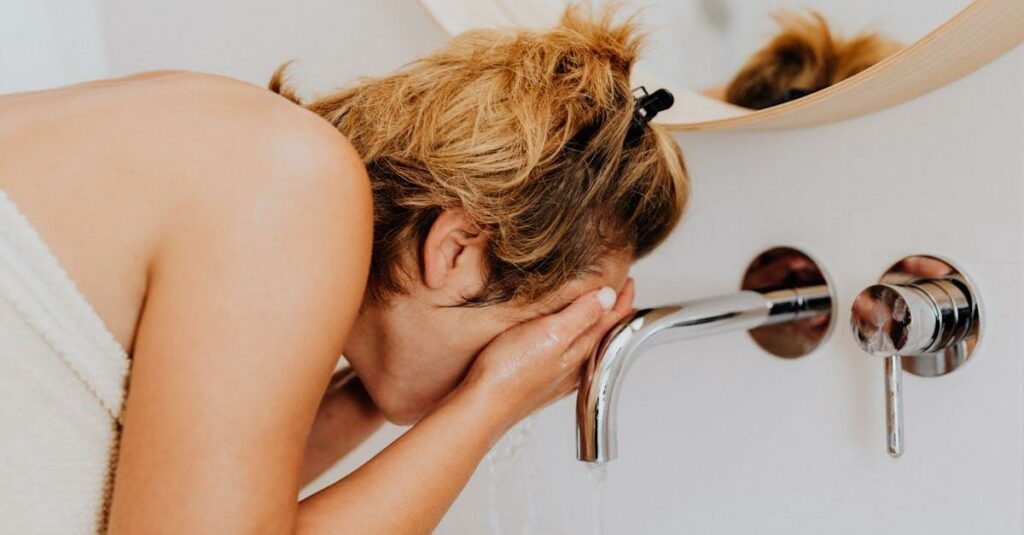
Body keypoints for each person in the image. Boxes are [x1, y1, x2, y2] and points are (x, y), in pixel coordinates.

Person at [0, 4, 688, 533]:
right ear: (455, 250)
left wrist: (374, 397)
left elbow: (187, 497)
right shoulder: (289, 182)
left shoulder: (264, 172)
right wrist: (491, 400)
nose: (555, 355)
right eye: (555, 320)